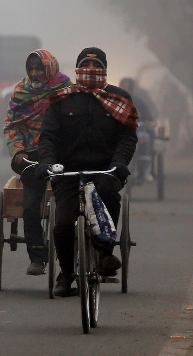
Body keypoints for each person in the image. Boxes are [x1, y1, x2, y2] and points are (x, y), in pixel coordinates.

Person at [36, 47, 138, 297]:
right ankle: (67, 272)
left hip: (106, 170)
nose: (91, 69)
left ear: (105, 69)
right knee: (62, 225)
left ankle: (105, 252)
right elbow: (48, 136)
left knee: (108, 192)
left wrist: (120, 163)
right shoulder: (62, 99)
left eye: (96, 65)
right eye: (86, 64)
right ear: (78, 68)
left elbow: (127, 137)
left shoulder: (120, 98)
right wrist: (47, 163)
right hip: (68, 172)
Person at [3, 49, 72, 276]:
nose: (34, 73)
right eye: (31, 69)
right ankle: (37, 258)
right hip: (32, 156)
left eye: (39, 69)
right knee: (31, 207)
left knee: (69, 208)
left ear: (49, 69)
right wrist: (18, 152)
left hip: (63, 154)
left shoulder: (67, 92)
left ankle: (71, 261)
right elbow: (12, 127)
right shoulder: (20, 92)